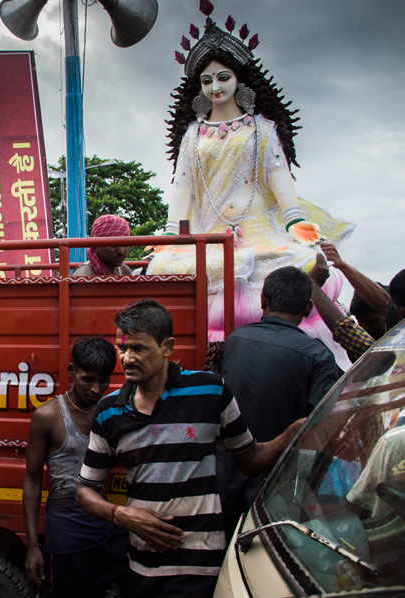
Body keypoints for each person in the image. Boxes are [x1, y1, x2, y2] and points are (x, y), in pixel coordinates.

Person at [147, 4, 353, 354]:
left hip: (262, 235)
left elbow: (279, 181)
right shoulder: (193, 136)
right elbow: (182, 189)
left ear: (240, 80)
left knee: (299, 262)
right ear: (198, 87)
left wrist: (296, 222)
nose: (216, 87)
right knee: (162, 268)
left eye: (223, 77)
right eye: (207, 80)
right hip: (209, 237)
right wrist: (171, 236)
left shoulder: (262, 129)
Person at [75, 298, 303, 598]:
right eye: (122, 349)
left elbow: (251, 460)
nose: (127, 358)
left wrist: (293, 434)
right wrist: (121, 515)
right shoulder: (109, 411)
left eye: (138, 348)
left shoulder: (210, 391)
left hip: (202, 568)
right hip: (143, 568)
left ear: (167, 347)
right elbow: (85, 490)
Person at [218, 266, 342, 538]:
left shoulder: (235, 341)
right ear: (309, 307)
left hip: (225, 480)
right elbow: (320, 427)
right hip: (276, 492)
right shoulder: (317, 356)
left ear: (263, 300)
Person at [23, 337, 129, 597]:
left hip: (105, 529)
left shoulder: (109, 413)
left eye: (103, 381)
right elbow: (32, 480)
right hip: (66, 536)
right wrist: (33, 545)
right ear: (72, 372)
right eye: (88, 379)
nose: (96, 389)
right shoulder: (48, 417)